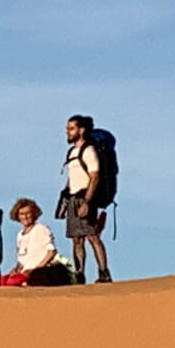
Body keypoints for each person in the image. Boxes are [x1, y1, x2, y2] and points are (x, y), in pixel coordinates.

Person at [63, 114, 113, 283]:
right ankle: (79, 274)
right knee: (77, 239)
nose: (67, 132)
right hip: (73, 198)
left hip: (85, 197)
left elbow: (95, 177)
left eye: (71, 128)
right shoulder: (72, 151)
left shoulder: (89, 150)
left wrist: (87, 202)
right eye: (67, 128)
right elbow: (72, 176)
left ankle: (103, 272)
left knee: (92, 235)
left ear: (81, 130)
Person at [0, 198, 71, 287]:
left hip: (37, 273)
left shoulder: (41, 229)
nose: (25, 217)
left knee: (12, 283)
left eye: (28, 213)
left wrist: (36, 269)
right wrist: (16, 268)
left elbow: (51, 252)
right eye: (21, 214)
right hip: (23, 272)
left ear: (34, 214)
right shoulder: (19, 235)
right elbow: (22, 258)